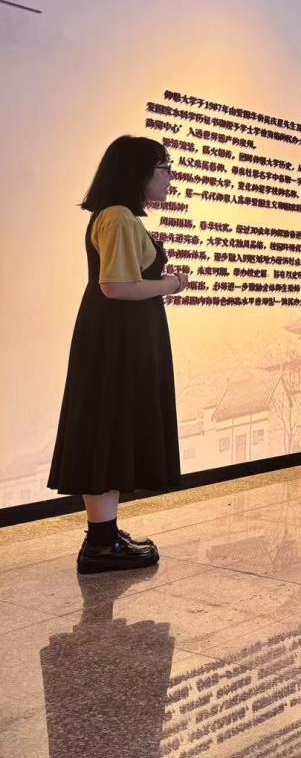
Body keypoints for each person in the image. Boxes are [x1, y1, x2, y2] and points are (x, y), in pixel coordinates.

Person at [48, 136, 188, 574]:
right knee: (107, 428)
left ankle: (104, 535)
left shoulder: (114, 216)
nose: (169, 177)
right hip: (118, 340)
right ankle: (100, 545)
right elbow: (117, 286)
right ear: (138, 171)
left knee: (107, 428)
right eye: (164, 167)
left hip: (114, 337)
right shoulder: (119, 217)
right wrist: (172, 284)